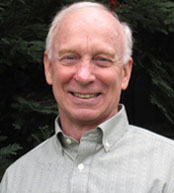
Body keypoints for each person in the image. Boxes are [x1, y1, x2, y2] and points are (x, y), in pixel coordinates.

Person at [0, 1, 174, 193]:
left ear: (125, 73)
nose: (84, 76)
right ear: (49, 68)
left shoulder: (168, 168)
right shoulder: (16, 180)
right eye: (70, 57)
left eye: (102, 59)